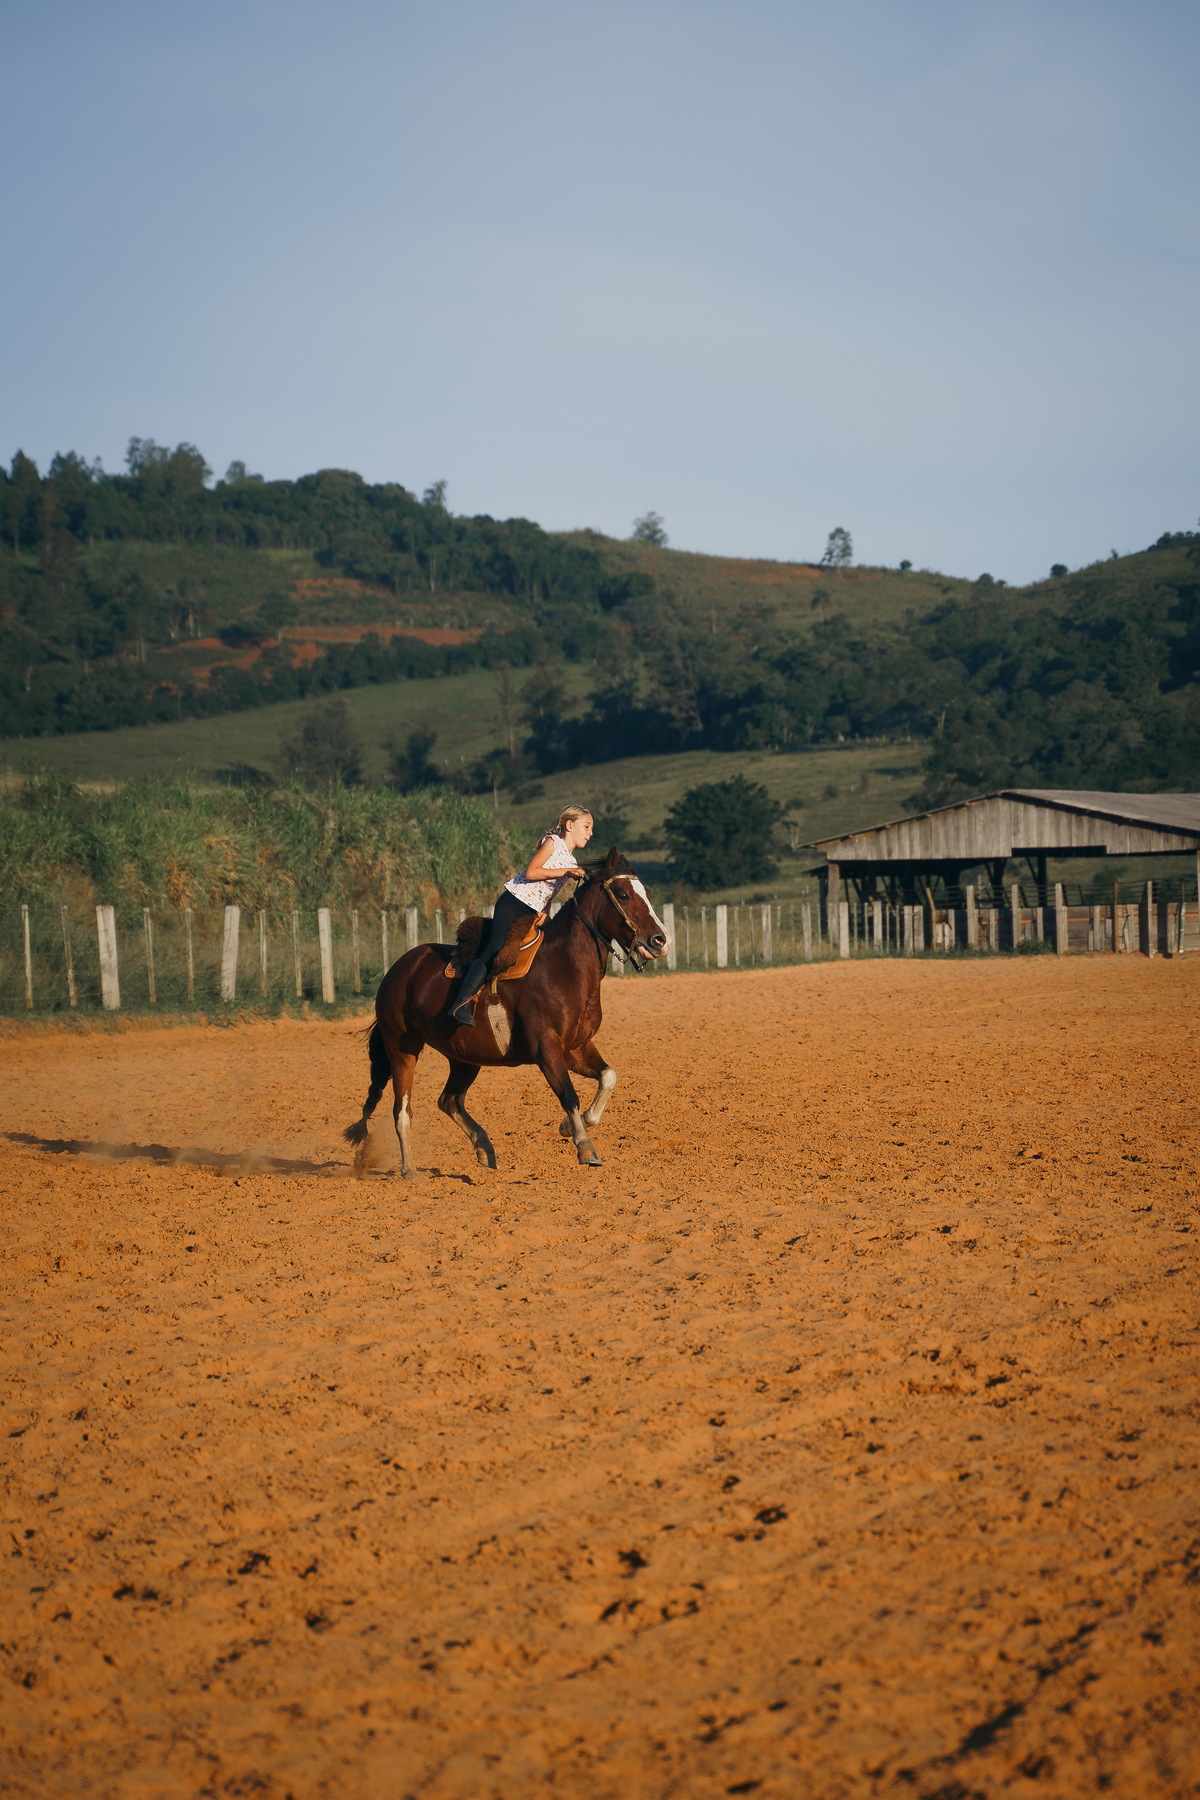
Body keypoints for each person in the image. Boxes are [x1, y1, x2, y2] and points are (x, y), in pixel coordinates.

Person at [450, 805, 593, 1027]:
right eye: (587, 827)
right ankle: (461, 1003)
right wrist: (565, 872)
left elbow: (549, 891)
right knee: (497, 945)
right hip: (513, 903)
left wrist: (545, 910)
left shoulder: (572, 863)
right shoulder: (553, 842)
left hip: (533, 911)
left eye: (591, 829)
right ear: (569, 825)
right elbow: (531, 872)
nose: (590, 833)